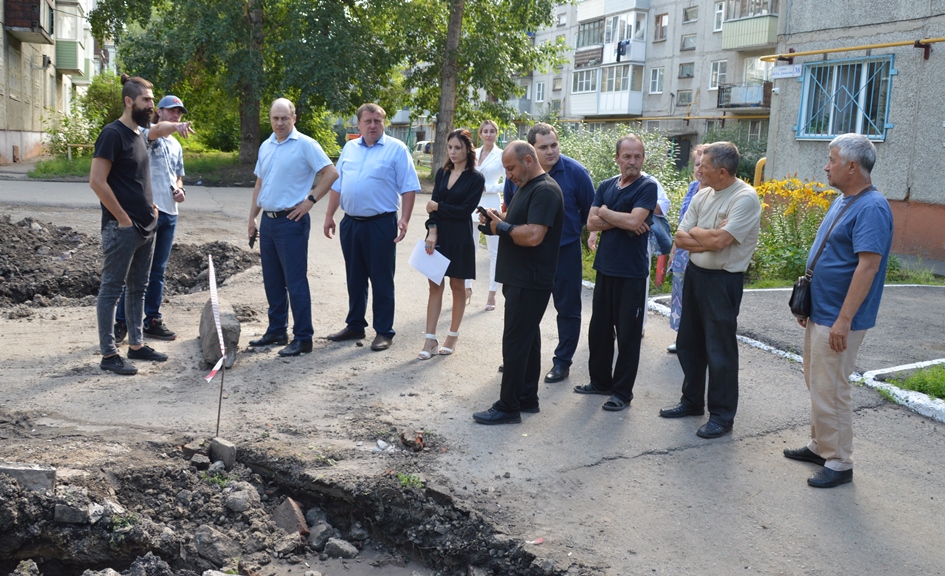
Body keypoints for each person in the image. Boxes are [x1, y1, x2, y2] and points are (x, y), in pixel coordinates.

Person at [783, 134, 893, 488]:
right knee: (818, 383)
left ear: (851, 166)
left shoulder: (872, 207)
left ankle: (840, 462)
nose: (826, 166)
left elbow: (868, 267)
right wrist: (810, 304)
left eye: (831, 160)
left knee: (832, 388)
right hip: (823, 311)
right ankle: (821, 445)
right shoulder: (846, 200)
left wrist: (843, 320)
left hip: (839, 318)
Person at [89, 74, 195, 375]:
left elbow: (137, 178)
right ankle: (109, 355)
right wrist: (122, 218)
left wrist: (151, 207)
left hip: (147, 225)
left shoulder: (139, 134)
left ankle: (136, 345)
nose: (151, 105)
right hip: (122, 228)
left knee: (138, 288)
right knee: (112, 290)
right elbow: (96, 182)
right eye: (147, 100)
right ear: (129, 101)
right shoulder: (113, 134)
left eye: (151, 100)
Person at [658, 141, 761, 439]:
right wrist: (708, 234)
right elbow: (680, 235)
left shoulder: (744, 198)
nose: (699, 170)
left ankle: (721, 415)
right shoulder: (703, 194)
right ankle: (691, 402)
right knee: (689, 343)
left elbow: (719, 243)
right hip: (696, 275)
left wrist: (700, 235)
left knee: (720, 351)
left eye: (704, 165)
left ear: (723, 171)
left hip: (722, 281)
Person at [473, 141, 563, 425]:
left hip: (530, 279)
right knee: (527, 340)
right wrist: (497, 219)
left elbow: (534, 234)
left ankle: (508, 406)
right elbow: (518, 224)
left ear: (527, 160)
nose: (508, 174)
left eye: (510, 168)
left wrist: (501, 227)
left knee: (514, 343)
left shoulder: (545, 190)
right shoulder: (527, 187)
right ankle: (526, 397)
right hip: (520, 278)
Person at [246, 98, 338, 357]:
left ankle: (303, 337)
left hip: (291, 221)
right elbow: (259, 184)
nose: (279, 122)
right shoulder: (266, 146)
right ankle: (276, 329)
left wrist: (310, 201)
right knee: (272, 281)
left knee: (295, 281)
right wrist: (252, 218)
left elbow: (331, 173)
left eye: (284, 118)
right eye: (275, 118)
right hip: (269, 222)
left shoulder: (306, 145)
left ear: (294, 118)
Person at [324, 103, 420, 351]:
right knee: (355, 277)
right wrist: (329, 215)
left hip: (381, 223)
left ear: (384, 123)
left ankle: (384, 331)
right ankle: (355, 324)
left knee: (381, 279)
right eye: (367, 121)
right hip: (351, 223)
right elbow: (338, 185)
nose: (373, 125)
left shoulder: (396, 150)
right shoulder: (349, 148)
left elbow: (409, 186)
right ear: (359, 124)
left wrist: (405, 219)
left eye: (377, 121)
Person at [503, 123, 593, 384]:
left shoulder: (576, 173)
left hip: (564, 253)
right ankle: (519, 357)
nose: (551, 151)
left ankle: (562, 362)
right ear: (532, 151)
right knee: (525, 309)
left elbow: (590, 213)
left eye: (554, 144)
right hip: (530, 254)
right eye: (544, 147)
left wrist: (591, 237)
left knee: (567, 308)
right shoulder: (520, 172)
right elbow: (513, 209)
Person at [573, 135, 657, 412]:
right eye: (627, 156)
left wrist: (608, 213)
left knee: (628, 334)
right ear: (617, 158)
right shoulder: (606, 185)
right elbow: (590, 221)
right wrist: (620, 217)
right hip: (605, 269)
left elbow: (634, 220)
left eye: (637, 156)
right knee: (599, 330)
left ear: (643, 159)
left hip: (631, 273)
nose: (632, 161)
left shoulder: (647, 186)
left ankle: (622, 392)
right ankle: (600, 382)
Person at [114, 95, 190, 344]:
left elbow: (178, 175)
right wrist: (175, 127)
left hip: (170, 214)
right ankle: (122, 321)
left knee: (158, 270)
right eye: (171, 111)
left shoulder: (176, 146)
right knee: (137, 271)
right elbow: (158, 130)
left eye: (179, 113)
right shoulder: (148, 134)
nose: (176, 115)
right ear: (159, 112)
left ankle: (152, 320)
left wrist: (180, 190)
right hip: (149, 212)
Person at [419, 129, 485, 359]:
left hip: (460, 237)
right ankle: (430, 340)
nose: (453, 152)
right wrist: (432, 230)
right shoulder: (442, 173)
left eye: (458, 147)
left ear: (468, 149)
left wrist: (436, 207)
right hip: (438, 236)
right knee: (434, 286)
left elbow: (464, 211)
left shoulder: (476, 179)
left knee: (458, 287)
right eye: (450, 147)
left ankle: (452, 336)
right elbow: (432, 207)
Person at [667, 144, 707, 353]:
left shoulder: (714, 191)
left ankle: (699, 341)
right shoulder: (693, 187)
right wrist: (674, 248)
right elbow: (683, 220)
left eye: (704, 165)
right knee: (679, 295)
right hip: (683, 249)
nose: (699, 169)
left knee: (698, 296)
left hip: (701, 250)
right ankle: (682, 338)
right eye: (696, 164)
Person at [465, 120, 504, 311]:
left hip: (491, 207)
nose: (489, 134)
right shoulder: (473, 154)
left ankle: (492, 293)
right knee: (469, 249)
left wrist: (489, 188)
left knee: (493, 252)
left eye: (492, 131)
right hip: (471, 205)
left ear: (497, 134)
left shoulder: (502, 155)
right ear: (480, 134)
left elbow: (509, 183)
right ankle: (466, 288)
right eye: (485, 131)